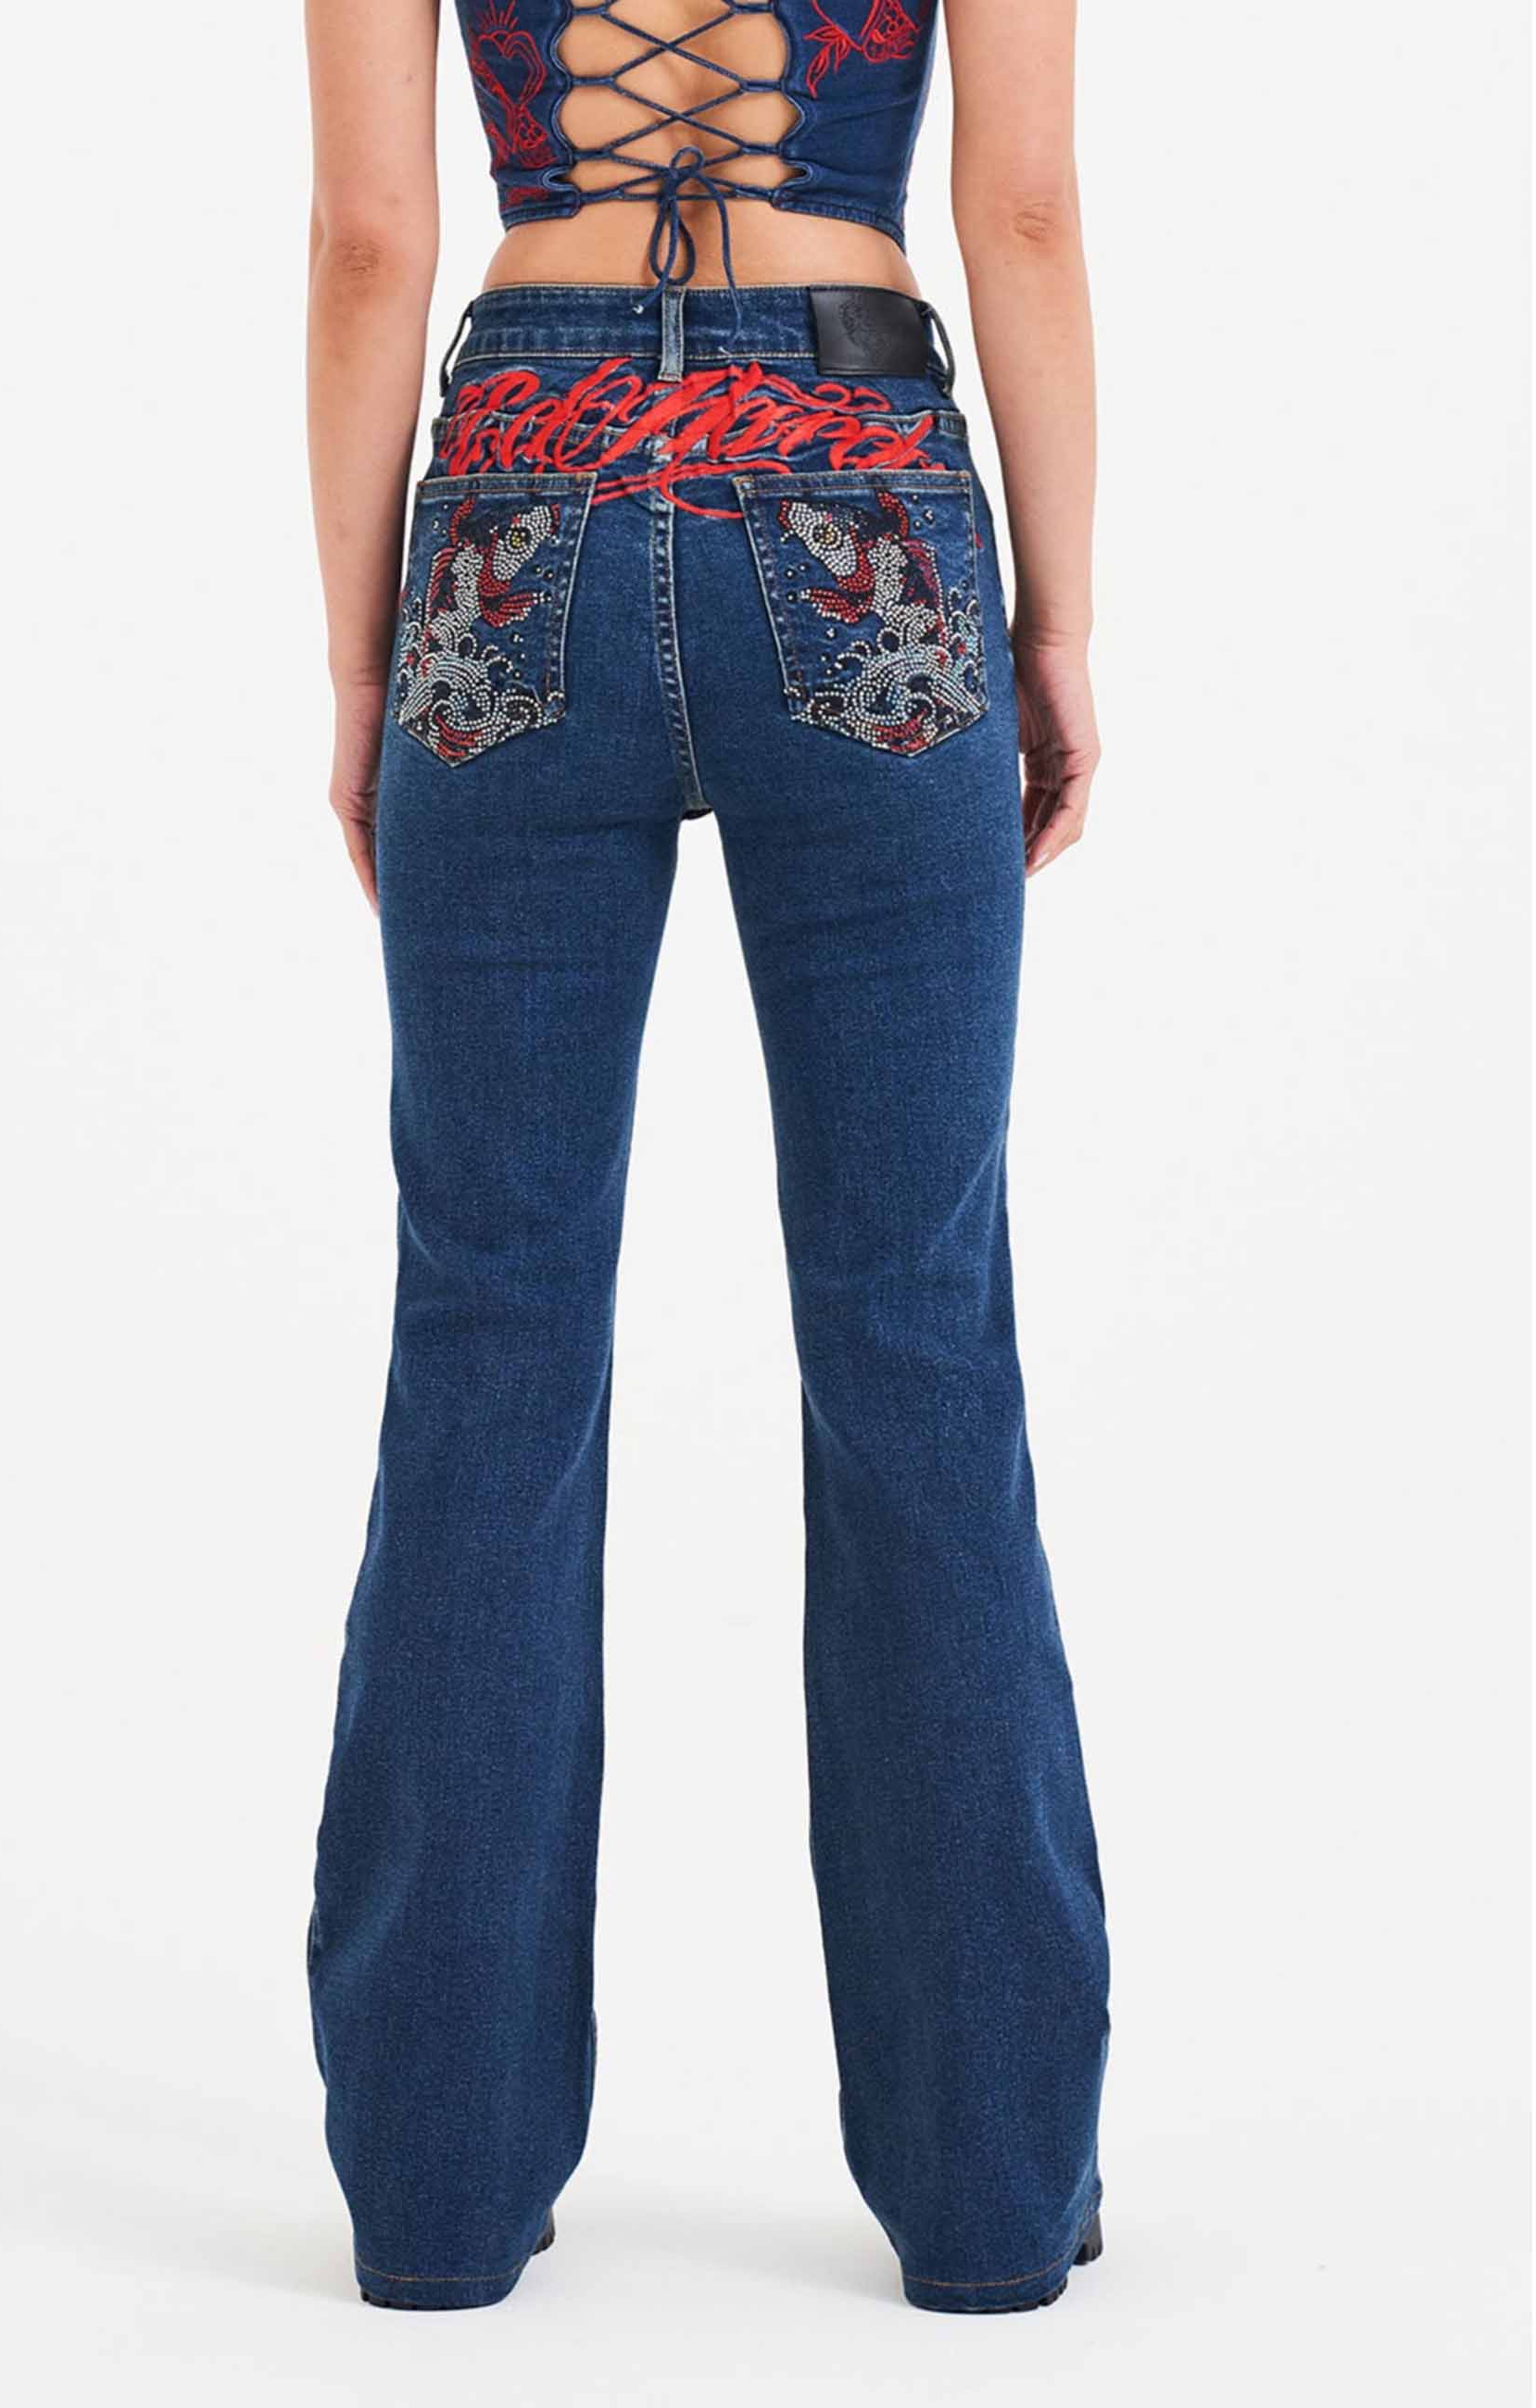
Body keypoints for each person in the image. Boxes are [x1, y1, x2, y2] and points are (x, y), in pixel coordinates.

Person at [304, 0, 1109, 2316]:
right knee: (915, 1338)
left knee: (490, 1337)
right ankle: (988, 2193)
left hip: (517, 506)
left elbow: (372, 242)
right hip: (862, 497)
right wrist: (1062, 621)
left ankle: (438, 2191)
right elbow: (1020, 210)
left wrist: (360, 672)